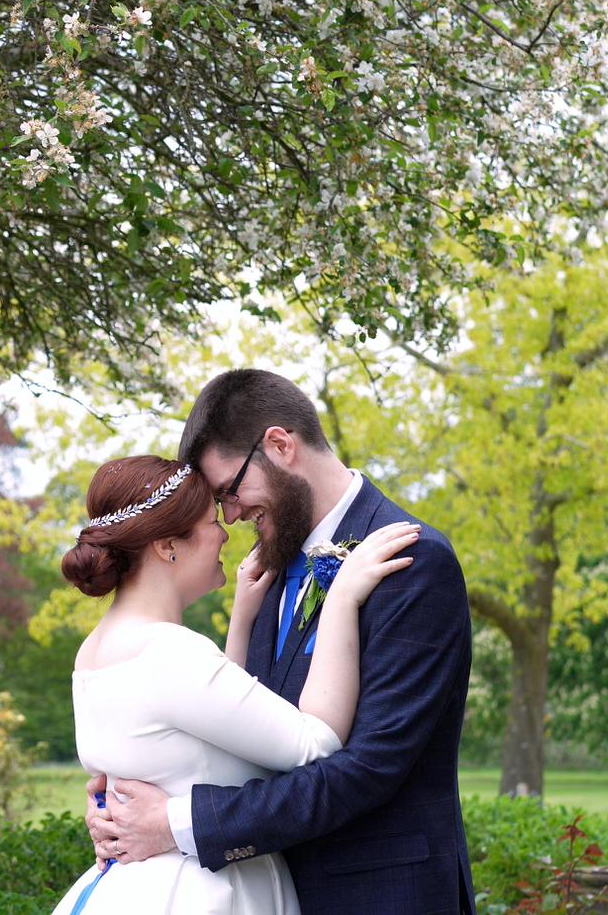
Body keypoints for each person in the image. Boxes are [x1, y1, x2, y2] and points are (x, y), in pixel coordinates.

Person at [85, 369, 476, 915]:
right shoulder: (270, 567)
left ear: (279, 445)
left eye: (229, 491)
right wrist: (128, 794)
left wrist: (175, 821)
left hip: (378, 896)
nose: (231, 516)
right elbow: (243, 729)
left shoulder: (412, 563)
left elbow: (368, 769)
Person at [49, 452, 420, 914]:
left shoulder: (97, 649)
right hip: (204, 891)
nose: (227, 528)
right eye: (211, 520)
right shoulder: (170, 652)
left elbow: (206, 735)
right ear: (167, 546)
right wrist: (341, 598)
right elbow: (316, 745)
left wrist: (241, 621)